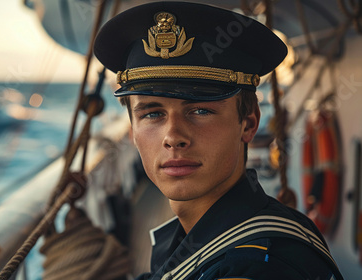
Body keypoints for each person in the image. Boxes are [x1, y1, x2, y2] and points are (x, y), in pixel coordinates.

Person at [93, 1, 344, 279]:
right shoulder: (197, 239)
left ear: (248, 123)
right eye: (153, 114)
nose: (173, 137)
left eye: (200, 110)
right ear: (132, 131)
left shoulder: (260, 267)